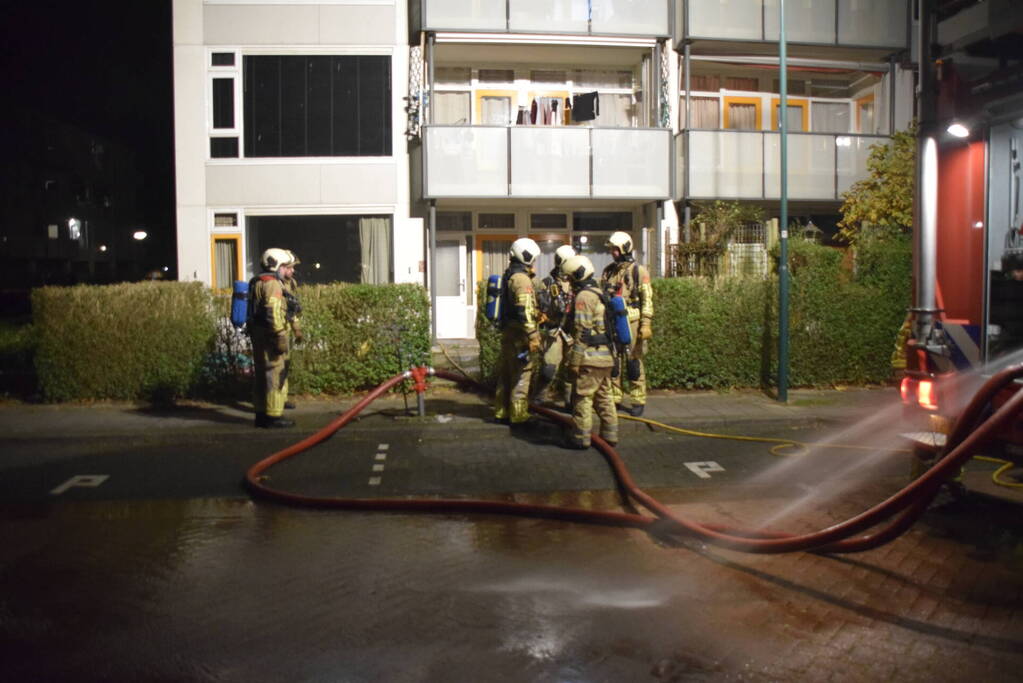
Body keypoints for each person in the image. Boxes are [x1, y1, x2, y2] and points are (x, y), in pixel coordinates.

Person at [561, 254, 618, 449]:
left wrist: (574, 362)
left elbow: (582, 331)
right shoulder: (599, 292)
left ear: (577, 275)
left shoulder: (584, 297)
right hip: (607, 357)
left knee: (583, 398)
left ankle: (580, 437)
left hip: (590, 358)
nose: (568, 283)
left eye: (569, 278)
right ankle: (610, 435)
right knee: (604, 397)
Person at [600, 231, 654, 417]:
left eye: (615, 249)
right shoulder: (608, 271)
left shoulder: (638, 271)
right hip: (612, 321)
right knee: (614, 362)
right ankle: (615, 398)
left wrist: (645, 324)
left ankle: (637, 400)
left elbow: (647, 299)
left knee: (633, 362)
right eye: (611, 249)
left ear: (625, 248)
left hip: (632, 321)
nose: (613, 252)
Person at [493, 237, 542, 428]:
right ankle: (519, 416)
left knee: (506, 372)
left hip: (508, 332)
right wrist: (532, 335)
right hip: (519, 334)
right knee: (522, 373)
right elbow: (525, 310)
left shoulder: (509, 275)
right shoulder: (521, 279)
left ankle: (501, 412)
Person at [247, 247, 295, 429]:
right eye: (284, 266)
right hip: (270, 335)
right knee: (275, 373)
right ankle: (274, 416)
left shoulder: (256, 281)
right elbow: (273, 310)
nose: (286, 270)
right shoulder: (273, 284)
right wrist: (280, 334)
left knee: (260, 375)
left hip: (257, 333)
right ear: (276, 266)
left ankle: (260, 414)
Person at [535, 244, 576, 405]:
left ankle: (570, 401)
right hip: (554, 331)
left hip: (572, 331)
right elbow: (539, 308)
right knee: (548, 368)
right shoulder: (547, 283)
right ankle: (539, 397)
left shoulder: (578, 283)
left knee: (572, 368)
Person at [281, 250, 304, 410]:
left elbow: (292, 309)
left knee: (284, 365)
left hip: (284, 330)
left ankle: (282, 398)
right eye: (290, 267)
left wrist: (296, 329)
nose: (293, 270)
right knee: (277, 367)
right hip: (276, 331)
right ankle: (274, 405)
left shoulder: (290, 283)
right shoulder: (275, 285)